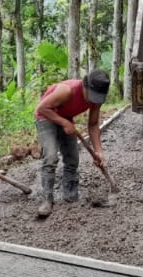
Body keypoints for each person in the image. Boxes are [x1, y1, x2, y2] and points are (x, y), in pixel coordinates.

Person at [35, 69, 110, 217]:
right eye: (92, 96)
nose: (93, 101)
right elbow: (41, 108)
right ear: (85, 85)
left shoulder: (96, 99)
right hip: (46, 116)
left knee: (72, 158)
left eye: (97, 98)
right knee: (51, 157)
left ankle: (70, 195)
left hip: (66, 117)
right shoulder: (67, 91)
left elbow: (93, 124)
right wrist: (63, 122)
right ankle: (47, 199)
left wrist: (98, 151)